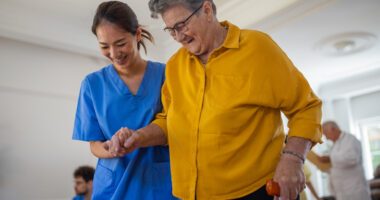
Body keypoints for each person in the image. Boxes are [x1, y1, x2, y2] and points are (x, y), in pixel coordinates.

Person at [105, 0, 322, 199]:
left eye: (181, 25)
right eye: (171, 30)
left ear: (207, 10)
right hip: (188, 194)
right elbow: (170, 122)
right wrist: (138, 137)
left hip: (254, 192)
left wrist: (293, 159)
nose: (179, 37)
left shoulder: (258, 47)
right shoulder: (174, 66)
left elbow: (306, 107)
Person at [72, 1, 176, 199]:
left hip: (159, 183)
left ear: (137, 34)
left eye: (120, 43)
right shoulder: (92, 85)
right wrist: (111, 148)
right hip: (113, 185)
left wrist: (138, 138)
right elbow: (94, 144)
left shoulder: (167, 75)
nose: (113, 53)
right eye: (104, 46)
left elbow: (176, 127)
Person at [318, 121, 371, 200]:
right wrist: (325, 168)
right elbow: (338, 166)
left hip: (354, 189)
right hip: (341, 190)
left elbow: (352, 159)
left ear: (333, 129)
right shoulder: (335, 144)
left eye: (326, 133)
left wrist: (330, 158)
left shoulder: (350, 140)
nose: (326, 137)